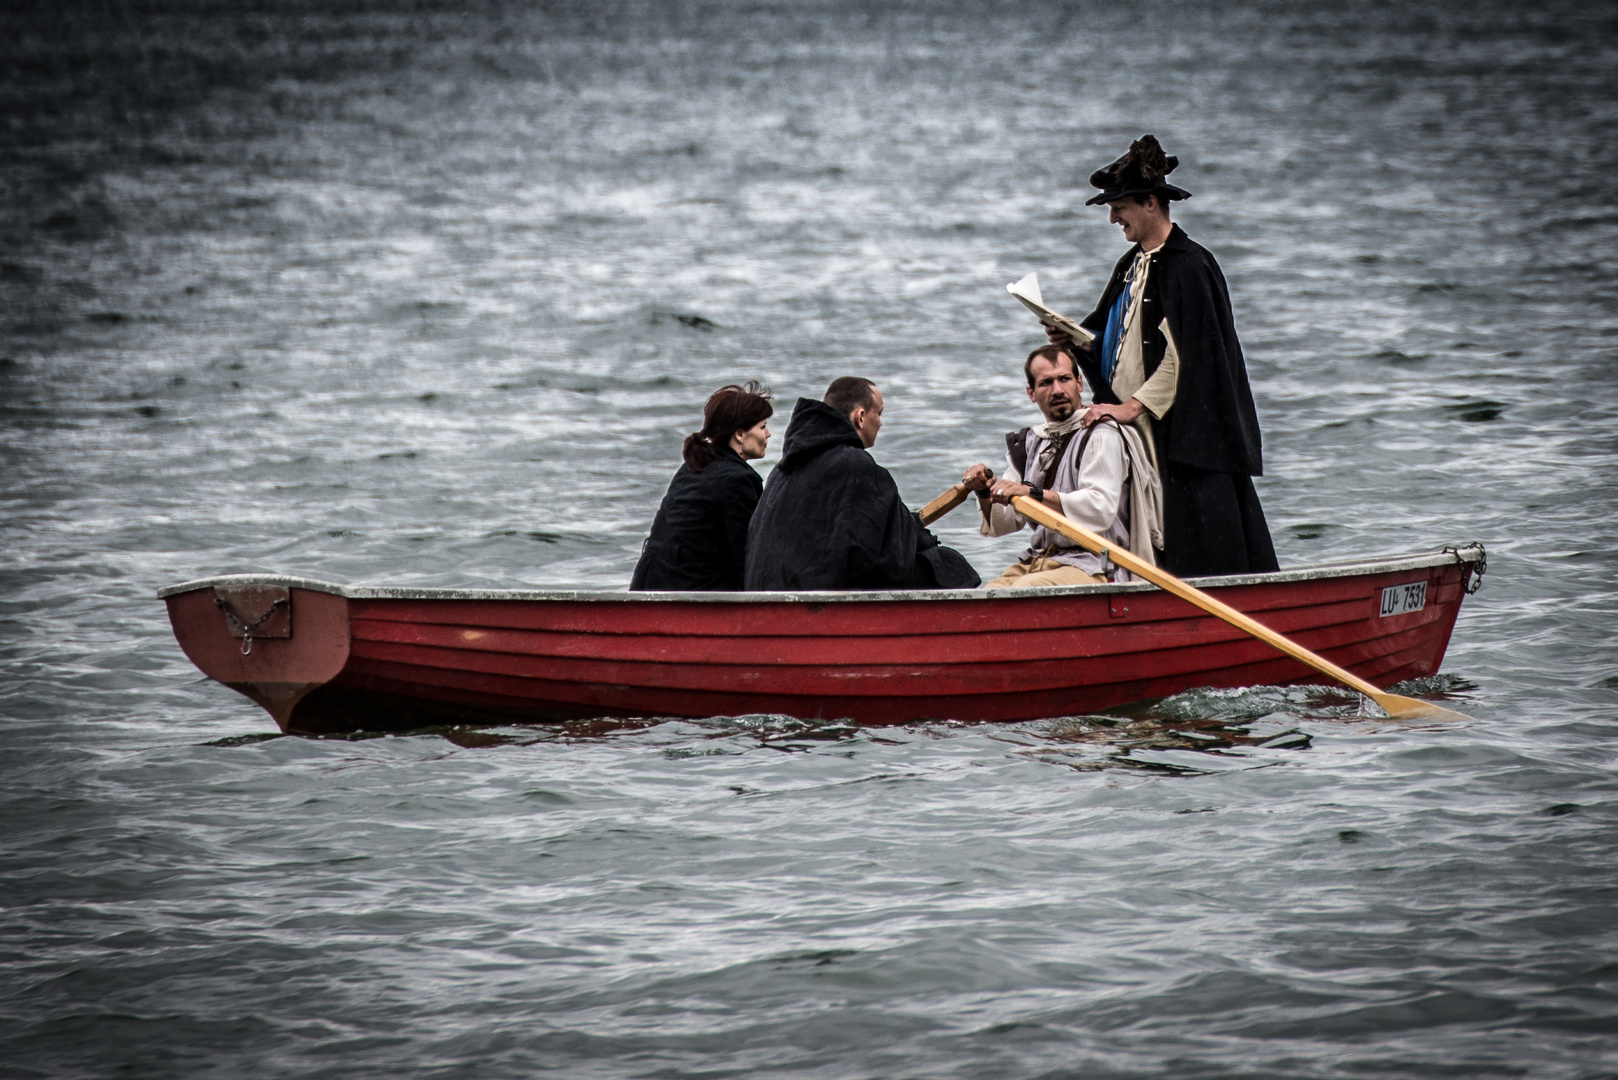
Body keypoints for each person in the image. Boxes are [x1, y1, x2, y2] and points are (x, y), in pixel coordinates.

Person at [1041, 134, 1278, 578]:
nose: (1112, 217)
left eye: (1120, 206)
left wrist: (1131, 407)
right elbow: (1116, 337)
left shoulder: (1192, 265)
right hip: (1144, 434)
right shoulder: (1133, 263)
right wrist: (1075, 340)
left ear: (1151, 203)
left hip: (1186, 442)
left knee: (1209, 560)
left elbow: (1189, 359)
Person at [745, 376, 981, 591]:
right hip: (816, 600)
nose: (880, 423)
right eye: (879, 413)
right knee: (949, 565)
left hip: (769, 592)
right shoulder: (855, 464)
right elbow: (891, 556)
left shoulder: (782, 470)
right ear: (860, 417)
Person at [962, 345, 1162, 588]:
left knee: (1023, 591)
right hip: (1041, 561)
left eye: (1064, 379)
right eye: (1046, 383)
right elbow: (1004, 524)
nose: (1057, 389)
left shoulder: (1101, 434)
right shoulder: (1028, 445)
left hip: (1097, 565)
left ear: (1079, 383)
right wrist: (985, 492)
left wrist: (1033, 494)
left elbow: (1099, 510)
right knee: (990, 594)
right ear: (1031, 393)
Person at [630, 382, 773, 591]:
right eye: (762, 426)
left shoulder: (691, 467)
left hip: (649, 584)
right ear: (740, 434)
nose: (768, 434)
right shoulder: (738, 479)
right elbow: (746, 557)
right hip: (693, 593)